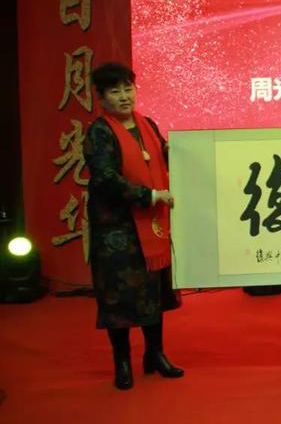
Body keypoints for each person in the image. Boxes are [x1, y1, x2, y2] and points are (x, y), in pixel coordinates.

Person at [84, 62, 183, 390]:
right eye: (115, 91)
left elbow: (161, 159)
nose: (124, 96)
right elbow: (105, 178)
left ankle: (155, 353)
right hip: (116, 231)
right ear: (101, 97)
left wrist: (178, 152)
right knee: (118, 298)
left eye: (128, 88)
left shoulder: (147, 124)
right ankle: (122, 361)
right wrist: (149, 195)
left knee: (154, 292)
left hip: (151, 226)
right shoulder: (99, 132)